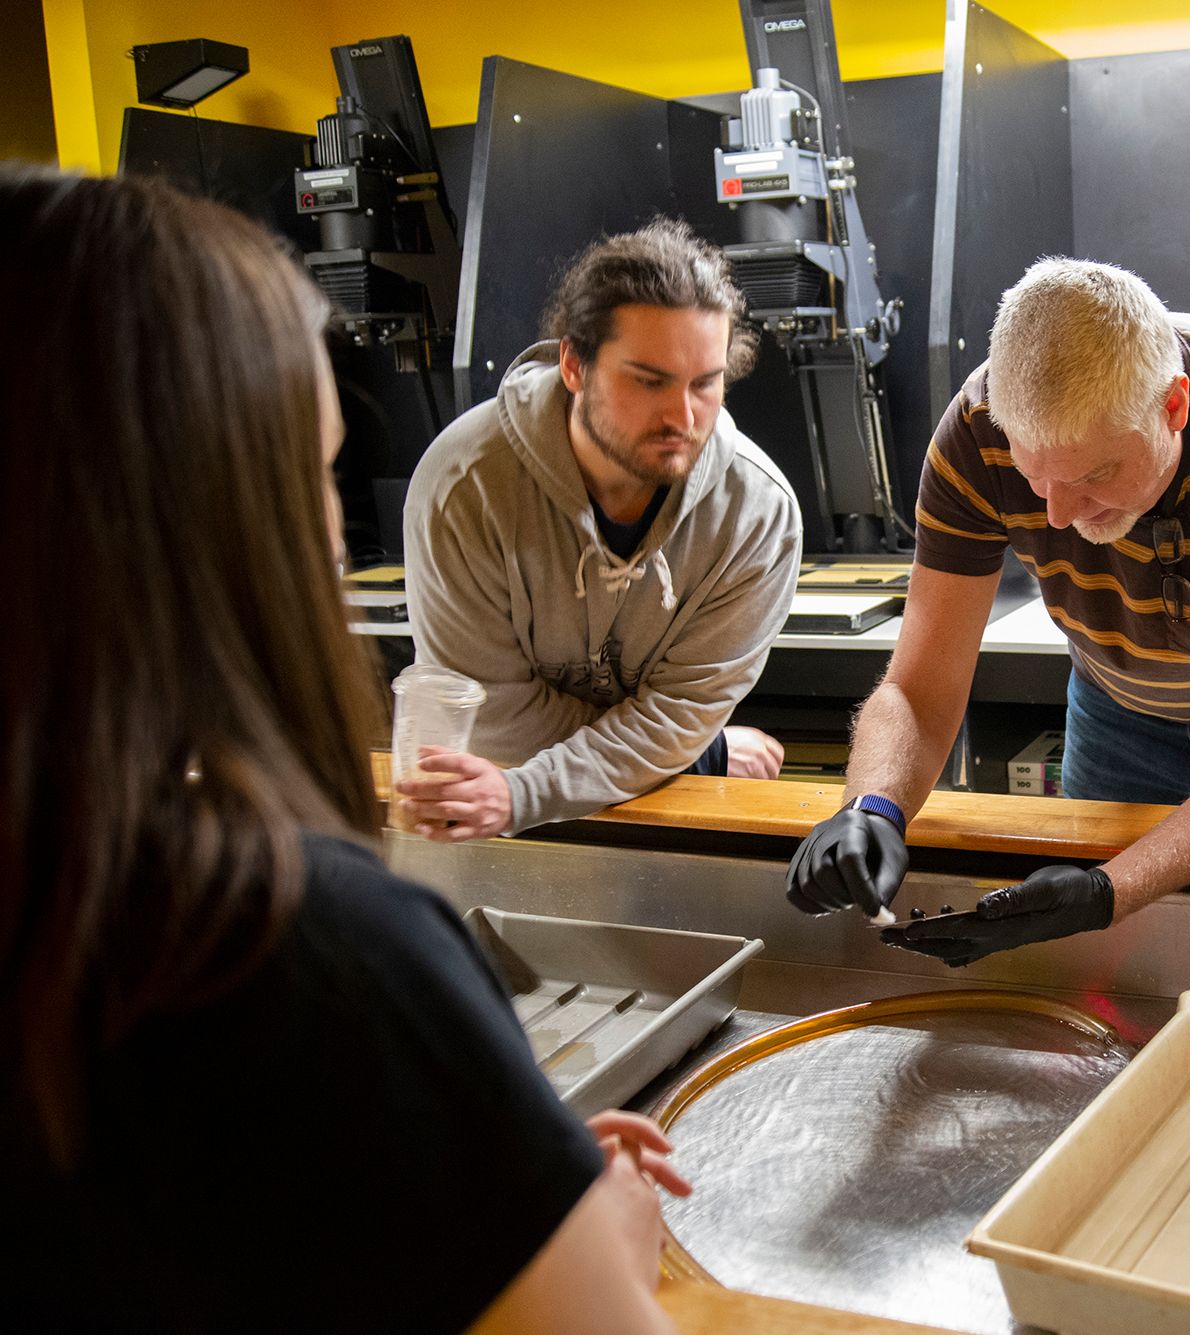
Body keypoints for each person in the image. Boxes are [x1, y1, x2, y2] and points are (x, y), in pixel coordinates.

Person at [0, 167, 688, 1332]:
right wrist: (608, 1244)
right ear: (210, 509)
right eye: (311, 472)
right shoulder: (298, 950)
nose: (331, 527)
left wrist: (478, 1148)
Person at [788, 258, 1190, 966]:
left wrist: (1108, 889)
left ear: (1174, 407)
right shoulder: (976, 434)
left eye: (1094, 475)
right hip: (1119, 707)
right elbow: (919, 687)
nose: (1060, 515)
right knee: (1114, 969)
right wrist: (872, 808)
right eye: (1035, 478)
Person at [400, 219, 802, 842]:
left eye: (706, 383)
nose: (683, 416)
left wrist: (673, 743)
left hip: (644, 820)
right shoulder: (465, 486)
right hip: (496, 820)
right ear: (573, 364)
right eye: (649, 381)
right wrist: (693, 753)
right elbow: (492, 722)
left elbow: (677, 717)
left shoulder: (757, 515)